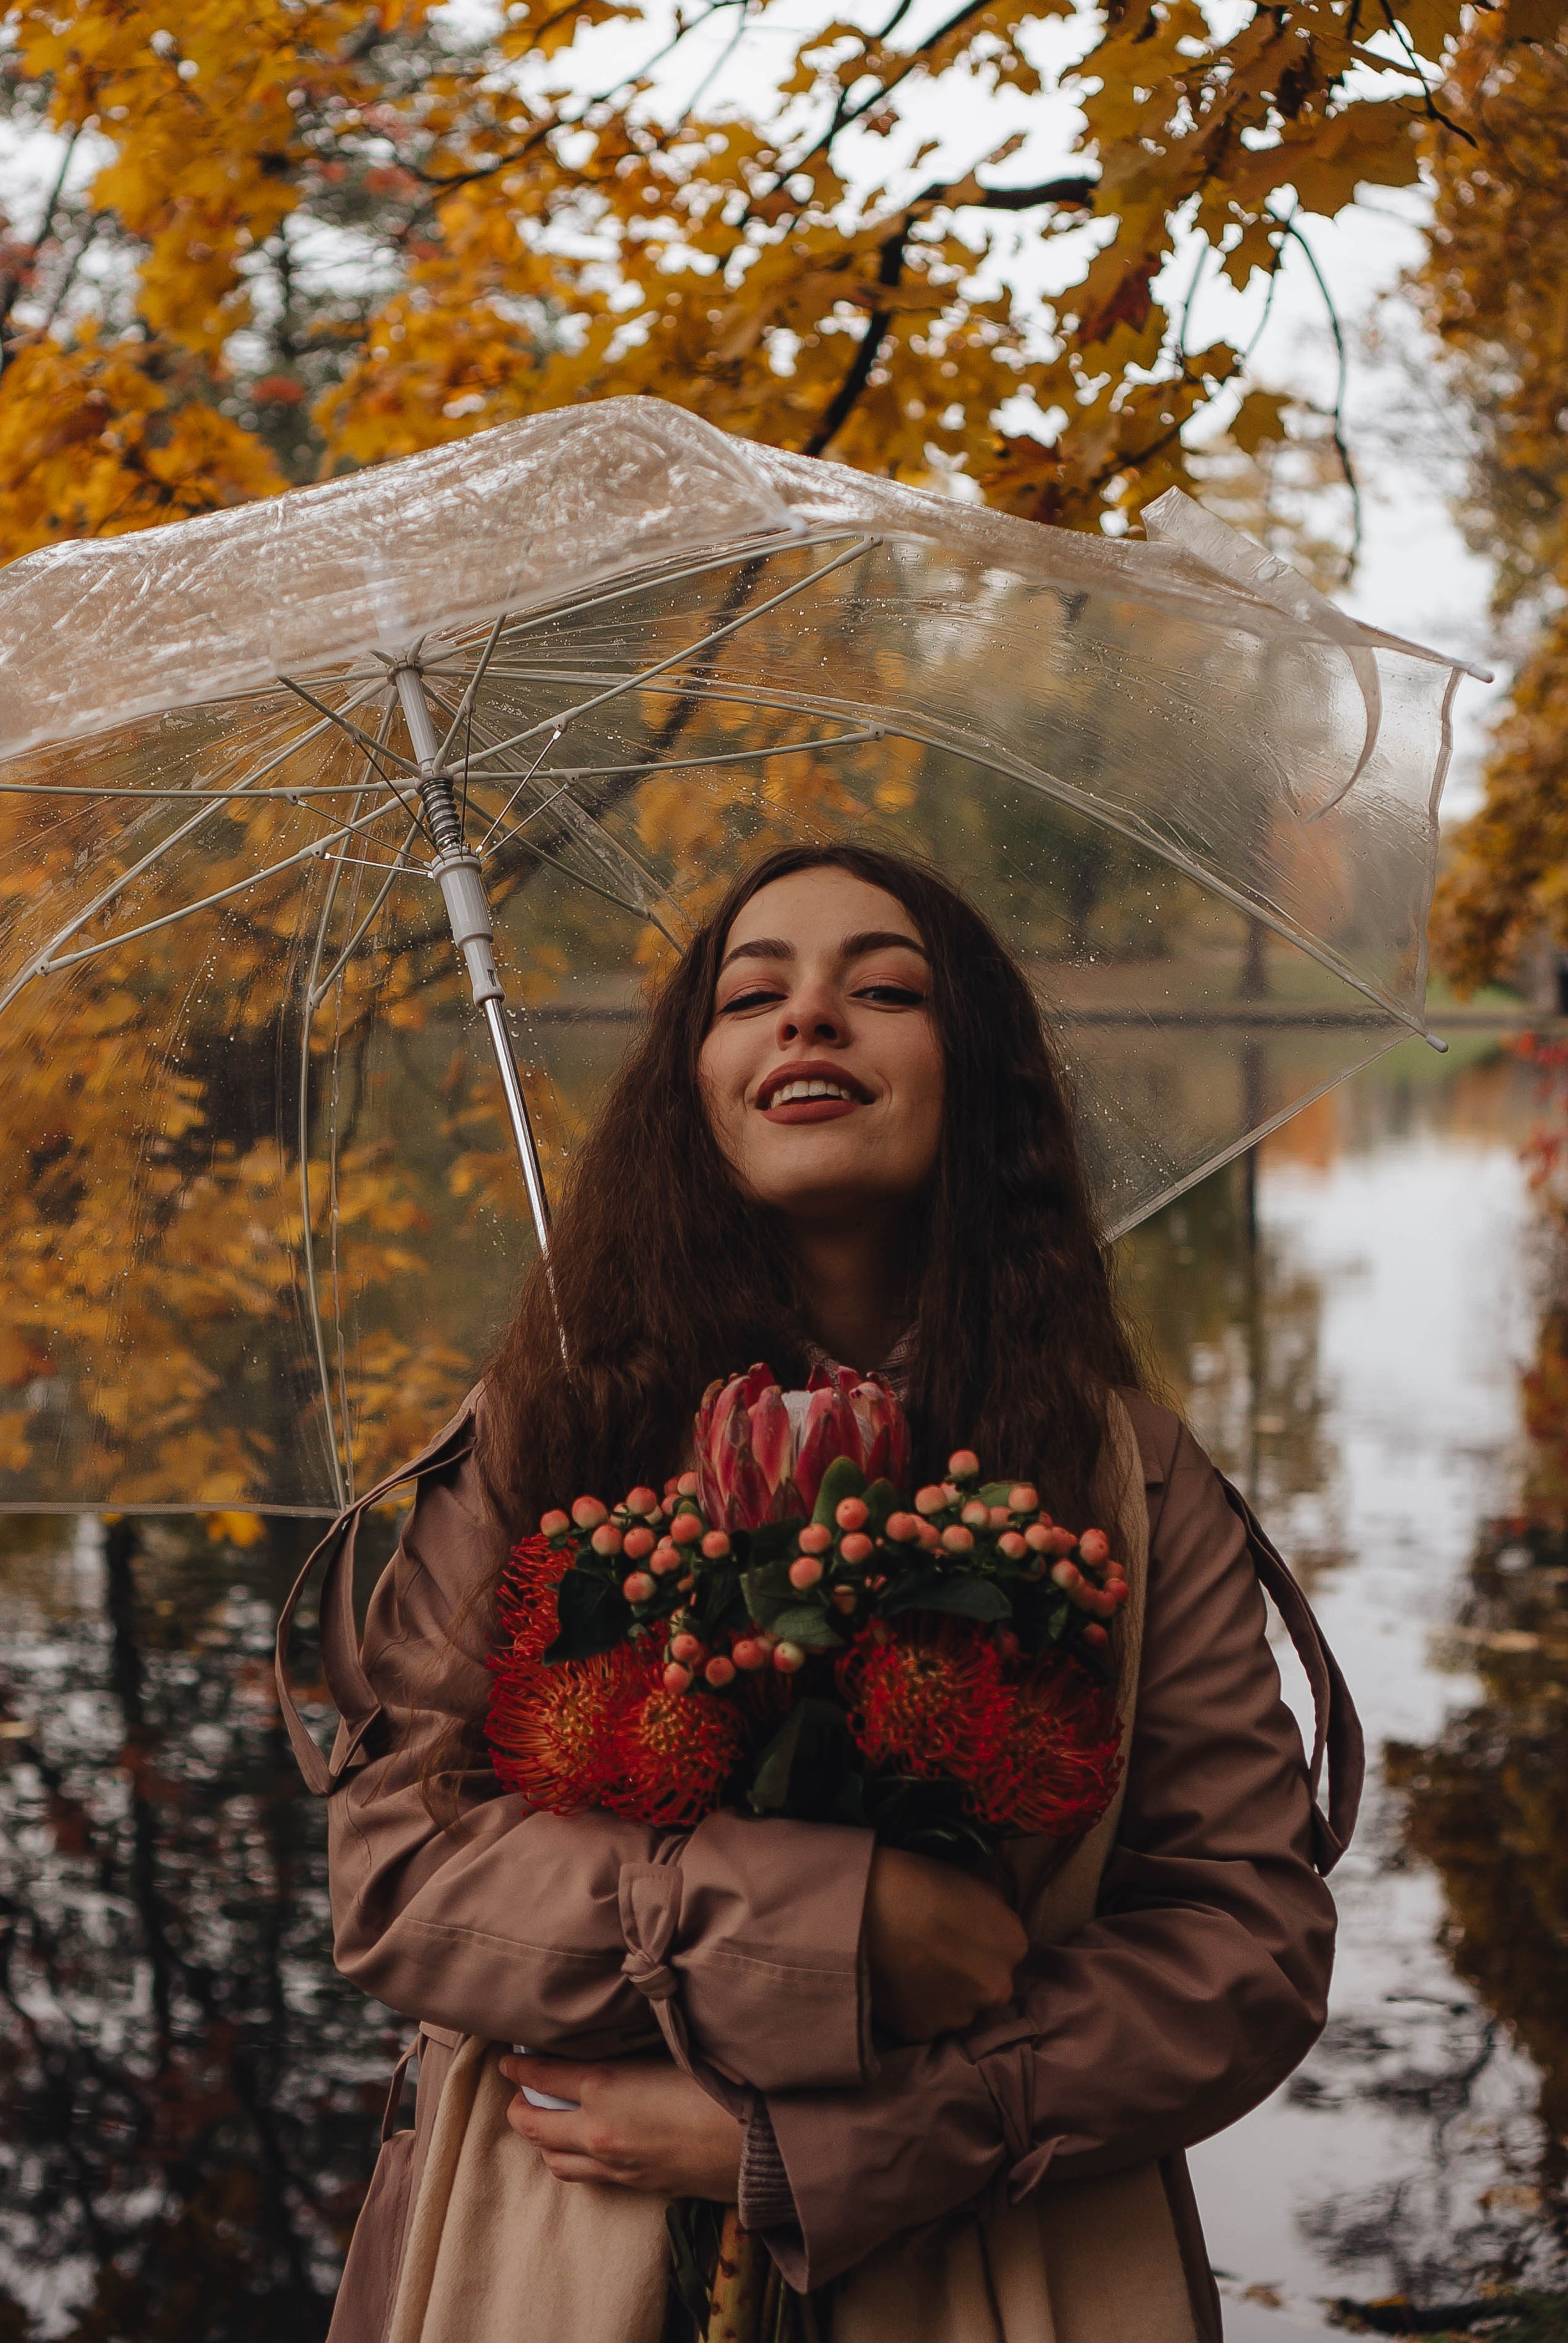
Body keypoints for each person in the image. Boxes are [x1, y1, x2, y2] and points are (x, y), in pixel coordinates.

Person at [276, 844, 1359, 2343]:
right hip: (568, 2242)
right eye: (752, 994)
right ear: (695, 1082)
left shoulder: (1128, 1475)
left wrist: (830, 2148)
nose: (808, 1021)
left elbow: (1242, 1945)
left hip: (995, 2262)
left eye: (884, 989)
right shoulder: (546, 1431)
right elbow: (397, 1880)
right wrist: (833, 1925)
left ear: (971, 1075)